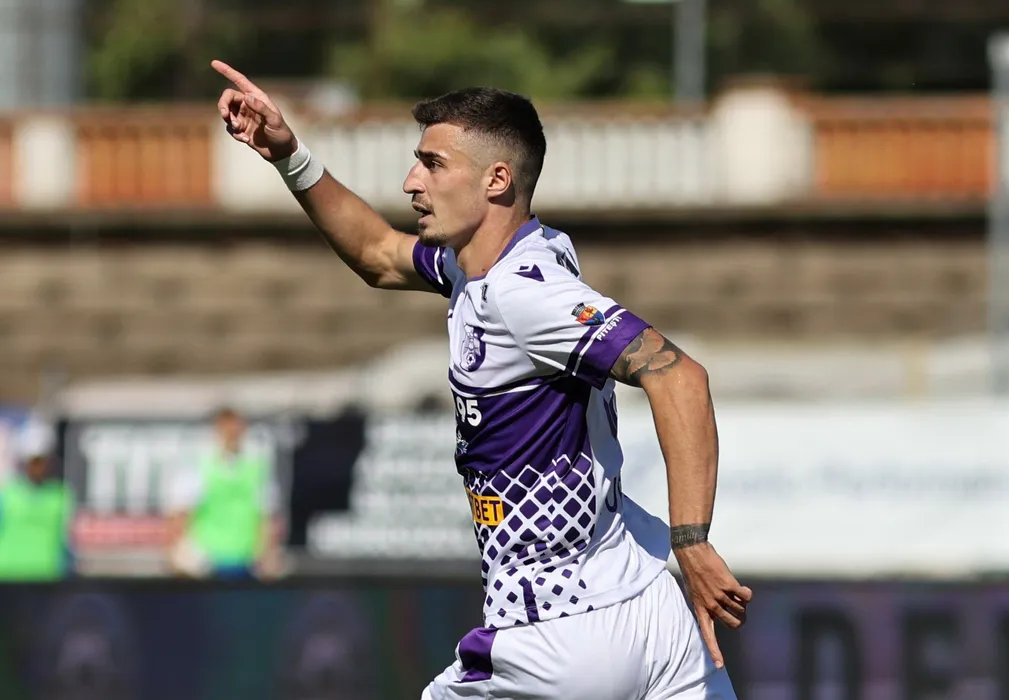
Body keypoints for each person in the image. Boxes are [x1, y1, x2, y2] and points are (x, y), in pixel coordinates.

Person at [211, 61, 751, 699]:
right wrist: (288, 154)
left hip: (557, 633)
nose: (411, 182)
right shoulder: (490, 264)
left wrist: (693, 541)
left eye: (433, 164)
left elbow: (679, 376)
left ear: (497, 179)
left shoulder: (523, 295)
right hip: (653, 613)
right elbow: (377, 254)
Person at [165, 406, 285, 580]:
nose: (232, 435)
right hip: (206, 561)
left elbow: (266, 517)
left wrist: (268, 553)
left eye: (236, 429)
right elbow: (180, 514)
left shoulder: (257, 469)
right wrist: (176, 553)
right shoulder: (200, 466)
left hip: (246, 560)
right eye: (226, 429)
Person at [0, 420, 74, 581]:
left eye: (41, 461)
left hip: (46, 580)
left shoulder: (62, 496)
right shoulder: (2, 494)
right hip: (4, 578)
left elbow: (68, 544)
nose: (37, 467)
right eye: (32, 461)